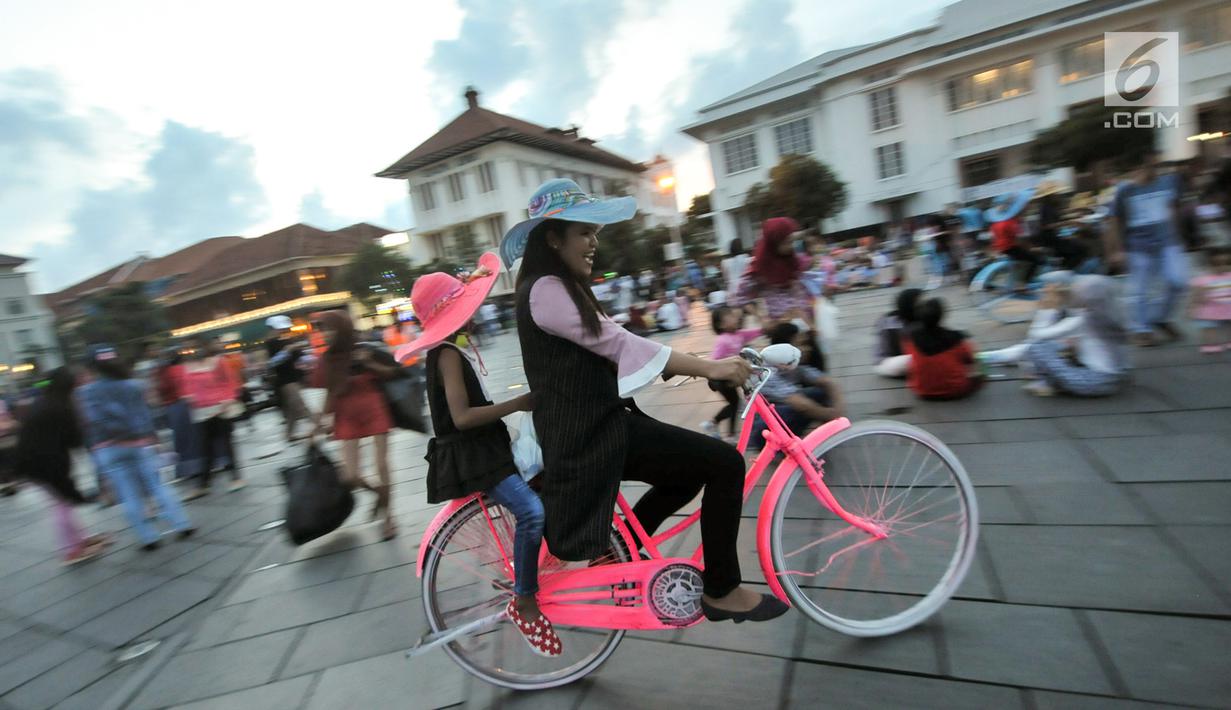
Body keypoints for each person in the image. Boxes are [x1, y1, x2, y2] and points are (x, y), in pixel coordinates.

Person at [500, 178, 787, 623]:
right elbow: (616, 342)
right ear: (553, 238)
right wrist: (709, 366)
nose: (593, 242)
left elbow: (617, 347)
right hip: (590, 431)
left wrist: (685, 366)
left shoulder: (556, 286)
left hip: (596, 421)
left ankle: (620, 556)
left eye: (594, 232)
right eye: (584, 232)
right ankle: (722, 589)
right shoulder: (545, 290)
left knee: (685, 475)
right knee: (725, 464)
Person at [395, 253, 559, 657]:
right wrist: (518, 403)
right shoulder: (447, 354)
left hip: (483, 450)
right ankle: (525, 599)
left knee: (544, 484)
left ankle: (540, 562)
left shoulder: (448, 350)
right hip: (475, 457)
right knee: (532, 512)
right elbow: (463, 417)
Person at [77, 345, 193, 550]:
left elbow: (93, 420)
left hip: (110, 448)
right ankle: (181, 523)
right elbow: (146, 416)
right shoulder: (134, 385)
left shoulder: (86, 392)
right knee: (158, 486)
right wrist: (152, 439)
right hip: (140, 443)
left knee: (129, 494)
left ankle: (149, 538)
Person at [310, 309, 400, 540]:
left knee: (382, 465)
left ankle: (388, 517)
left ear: (342, 328)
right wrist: (319, 423)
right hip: (345, 415)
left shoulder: (364, 349)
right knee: (349, 476)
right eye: (323, 330)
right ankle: (380, 493)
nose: (326, 334)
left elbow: (393, 373)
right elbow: (330, 393)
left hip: (373, 408)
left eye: (330, 328)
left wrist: (370, 364)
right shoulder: (326, 360)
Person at [13, 367, 111, 565]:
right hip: (44, 464)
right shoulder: (61, 407)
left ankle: (80, 540)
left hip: (34, 462)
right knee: (61, 504)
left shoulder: (44, 402)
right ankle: (70, 550)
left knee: (63, 502)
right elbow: (74, 440)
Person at [1107, 150, 1188, 347]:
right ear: (1140, 167)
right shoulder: (1125, 189)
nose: (1155, 171)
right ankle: (1141, 329)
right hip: (1139, 245)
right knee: (1139, 289)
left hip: (1168, 242)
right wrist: (1116, 250)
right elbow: (1114, 220)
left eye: (1158, 166)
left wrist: (1178, 236)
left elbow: (1173, 208)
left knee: (1178, 281)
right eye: (1151, 166)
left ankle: (1159, 318)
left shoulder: (1168, 182)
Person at [1024, 275, 1129, 397]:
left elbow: (1037, 335)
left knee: (1037, 347)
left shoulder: (1084, 320)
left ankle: (1048, 384)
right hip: (1113, 381)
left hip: (1091, 382)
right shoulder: (1110, 317)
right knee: (1065, 345)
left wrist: (1047, 310)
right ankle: (1053, 382)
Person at [182, 338, 245, 500]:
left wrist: (227, 400)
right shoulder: (189, 367)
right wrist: (190, 399)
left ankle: (235, 478)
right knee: (206, 448)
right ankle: (204, 484)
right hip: (201, 412)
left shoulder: (219, 362)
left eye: (195, 346)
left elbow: (231, 383)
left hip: (220, 409)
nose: (192, 349)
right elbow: (188, 388)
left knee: (226, 444)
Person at [757, 322, 845, 436]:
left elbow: (829, 382)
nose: (808, 349)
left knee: (820, 392)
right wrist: (833, 415)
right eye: (801, 344)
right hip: (763, 430)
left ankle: (830, 431)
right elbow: (801, 404)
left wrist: (838, 410)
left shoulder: (796, 366)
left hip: (783, 414)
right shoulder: (767, 371)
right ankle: (782, 448)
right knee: (797, 407)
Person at [978, 273, 1074, 366]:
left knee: (1024, 351)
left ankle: (979, 357)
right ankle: (980, 357)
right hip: (1049, 343)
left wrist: (1047, 309)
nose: (1043, 290)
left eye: (1046, 288)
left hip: (1055, 348)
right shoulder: (1065, 307)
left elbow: (1036, 338)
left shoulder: (1072, 317)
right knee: (1024, 350)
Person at [734, 218, 812, 326]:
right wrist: (760, 317)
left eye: (791, 242)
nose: (791, 246)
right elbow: (740, 297)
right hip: (781, 327)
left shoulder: (793, 261)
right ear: (773, 244)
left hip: (805, 322)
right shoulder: (759, 269)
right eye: (786, 243)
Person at [702, 306, 764, 442]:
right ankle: (729, 435)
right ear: (721, 325)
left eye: (734, 315)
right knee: (735, 404)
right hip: (719, 379)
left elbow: (757, 332)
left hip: (730, 377)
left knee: (734, 404)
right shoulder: (723, 340)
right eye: (730, 316)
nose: (735, 318)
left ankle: (712, 424)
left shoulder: (739, 334)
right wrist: (712, 378)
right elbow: (714, 361)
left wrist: (764, 325)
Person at [906, 298, 982, 401]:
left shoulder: (912, 338)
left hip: (922, 391)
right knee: (980, 363)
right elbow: (970, 358)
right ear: (942, 315)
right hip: (955, 389)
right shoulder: (955, 337)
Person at [265, 315, 312, 442]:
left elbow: (302, 357)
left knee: (292, 408)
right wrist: (287, 351)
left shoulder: (289, 341)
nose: (283, 331)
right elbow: (271, 363)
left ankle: (289, 434)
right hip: (284, 379)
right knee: (299, 405)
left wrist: (308, 359)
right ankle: (321, 425)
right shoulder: (271, 344)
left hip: (294, 376)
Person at [155, 348, 200, 481]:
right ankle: (198, 465)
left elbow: (162, 390)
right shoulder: (184, 368)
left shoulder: (165, 372)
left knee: (181, 440)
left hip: (174, 406)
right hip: (187, 405)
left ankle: (188, 469)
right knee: (192, 438)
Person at [986, 189, 1042, 288]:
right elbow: (1019, 240)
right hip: (1010, 249)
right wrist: (1032, 248)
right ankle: (1022, 284)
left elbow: (993, 238)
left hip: (1000, 249)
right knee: (1035, 260)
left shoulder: (997, 222)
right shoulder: (1011, 222)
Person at [1188, 246, 1231, 354]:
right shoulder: (1203, 279)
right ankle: (1210, 344)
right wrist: (1192, 307)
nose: (1222, 267)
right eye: (1217, 265)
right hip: (1209, 309)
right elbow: (1196, 294)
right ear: (1208, 264)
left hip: (1228, 309)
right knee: (1209, 328)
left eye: (1227, 263)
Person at [874, 288, 924, 378]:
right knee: (918, 359)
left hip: (907, 358)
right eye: (919, 302)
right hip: (888, 361)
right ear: (909, 303)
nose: (923, 305)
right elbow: (896, 350)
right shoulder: (891, 322)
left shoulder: (918, 319)